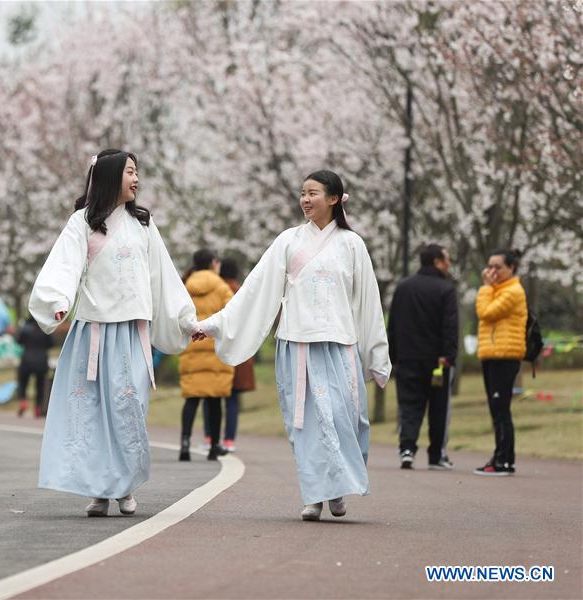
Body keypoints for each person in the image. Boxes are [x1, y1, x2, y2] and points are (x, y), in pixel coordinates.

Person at [194, 170, 390, 521]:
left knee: (345, 419)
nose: (305, 200)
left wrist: (377, 354)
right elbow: (254, 290)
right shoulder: (288, 241)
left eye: (312, 193)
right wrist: (213, 325)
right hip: (297, 344)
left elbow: (368, 302)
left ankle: (338, 487)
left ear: (334, 199)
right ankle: (315, 495)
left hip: (339, 344)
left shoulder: (352, 244)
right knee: (307, 425)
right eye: (302, 193)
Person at [29, 149, 196, 517]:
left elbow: (163, 277)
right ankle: (100, 491)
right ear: (109, 177)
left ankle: (124, 486)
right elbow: (64, 266)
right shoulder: (82, 223)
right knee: (91, 411)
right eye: (129, 172)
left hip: (132, 333)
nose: (136, 179)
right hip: (93, 334)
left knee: (128, 408)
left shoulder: (143, 224)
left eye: (137, 172)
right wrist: (58, 301)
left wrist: (184, 319)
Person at [388, 244, 458, 470]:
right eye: (446, 259)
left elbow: (393, 323)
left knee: (409, 405)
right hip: (438, 360)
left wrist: (393, 355)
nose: (448, 264)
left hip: (407, 358)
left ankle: (407, 449)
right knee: (439, 408)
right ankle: (436, 455)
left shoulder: (403, 287)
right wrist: (449, 355)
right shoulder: (445, 289)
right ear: (437, 261)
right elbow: (450, 326)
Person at [474, 248, 527, 476]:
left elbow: (485, 312)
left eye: (498, 267)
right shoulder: (498, 290)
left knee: (500, 408)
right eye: (490, 266)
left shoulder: (513, 291)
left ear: (511, 268)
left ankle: (503, 460)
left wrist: (486, 287)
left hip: (505, 356)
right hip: (492, 355)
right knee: (497, 409)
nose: (492, 271)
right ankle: (501, 457)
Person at [179, 248, 234, 461]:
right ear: (213, 263)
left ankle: (185, 443)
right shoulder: (221, 287)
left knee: (191, 398)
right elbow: (231, 314)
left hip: (192, 347)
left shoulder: (185, 286)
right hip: (213, 349)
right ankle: (214, 446)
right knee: (214, 400)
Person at [216, 257, 256, 452]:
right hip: (239, 351)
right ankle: (229, 441)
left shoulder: (217, 291)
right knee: (232, 399)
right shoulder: (242, 292)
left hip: (217, 351)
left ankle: (210, 438)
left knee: (213, 397)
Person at [15, 316, 54, 418]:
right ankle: (38, 408)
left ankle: (23, 400)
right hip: (41, 361)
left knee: (23, 382)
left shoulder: (25, 328)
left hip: (26, 360)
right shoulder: (45, 328)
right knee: (40, 385)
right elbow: (51, 343)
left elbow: (18, 341)